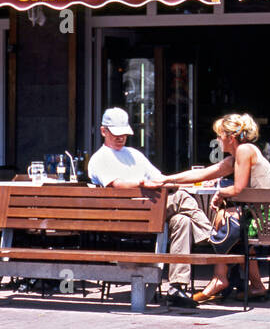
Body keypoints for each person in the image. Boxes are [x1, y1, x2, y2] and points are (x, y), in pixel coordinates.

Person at [88, 107, 212, 308]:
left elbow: (161, 179)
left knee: (183, 220)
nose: (121, 138)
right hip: (126, 215)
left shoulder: (134, 154)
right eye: (116, 134)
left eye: (124, 134)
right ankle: (212, 237)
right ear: (104, 131)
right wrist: (142, 183)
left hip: (150, 212)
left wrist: (194, 184)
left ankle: (176, 287)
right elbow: (116, 184)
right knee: (180, 198)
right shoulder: (100, 159)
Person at [162, 112, 270, 303]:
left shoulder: (245, 151)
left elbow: (238, 187)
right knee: (232, 225)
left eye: (219, 135)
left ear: (230, 137)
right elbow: (206, 173)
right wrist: (169, 179)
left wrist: (221, 194)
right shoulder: (237, 156)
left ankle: (220, 278)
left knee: (224, 219)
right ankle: (256, 286)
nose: (217, 139)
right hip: (269, 216)